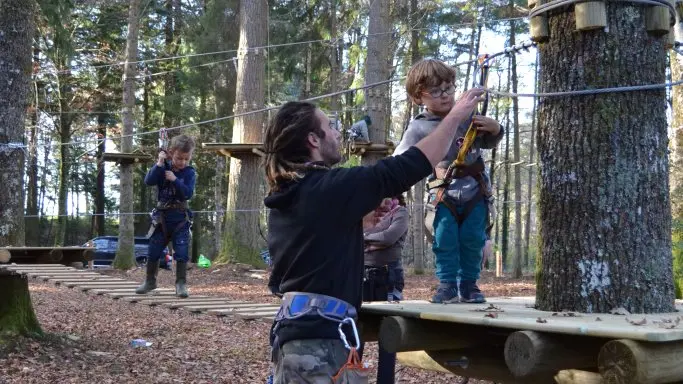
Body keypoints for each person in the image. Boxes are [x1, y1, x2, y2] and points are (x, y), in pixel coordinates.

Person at [264, 86, 485, 383]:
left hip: (309, 337)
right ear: (313, 140)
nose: (338, 132)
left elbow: (310, 251)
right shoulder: (328, 187)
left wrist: (356, 224)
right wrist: (456, 116)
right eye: (330, 126)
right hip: (314, 347)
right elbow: (408, 166)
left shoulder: (294, 193)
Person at [393, 58, 503, 304]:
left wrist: (495, 129)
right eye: (435, 91)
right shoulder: (419, 127)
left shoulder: (468, 116)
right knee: (444, 238)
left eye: (449, 88)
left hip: (475, 190)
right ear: (418, 97)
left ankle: (469, 284)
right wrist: (389, 189)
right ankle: (446, 284)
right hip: (442, 192)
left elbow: (486, 141)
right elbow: (400, 158)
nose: (444, 95)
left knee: (473, 238)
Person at [136, 134, 196, 298]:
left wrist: (176, 180)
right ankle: (150, 281)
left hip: (180, 219)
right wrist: (160, 163)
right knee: (154, 250)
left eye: (186, 159)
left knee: (182, 252)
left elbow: (188, 193)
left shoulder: (189, 173)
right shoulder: (163, 168)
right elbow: (149, 181)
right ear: (171, 153)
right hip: (162, 218)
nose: (182, 162)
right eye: (178, 158)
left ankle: (181, 284)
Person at [363, 195, 408, 303]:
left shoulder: (400, 212)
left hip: (390, 273)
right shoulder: (365, 211)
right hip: (362, 271)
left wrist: (365, 237)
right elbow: (354, 236)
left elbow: (388, 238)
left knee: (388, 314)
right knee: (363, 313)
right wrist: (379, 240)